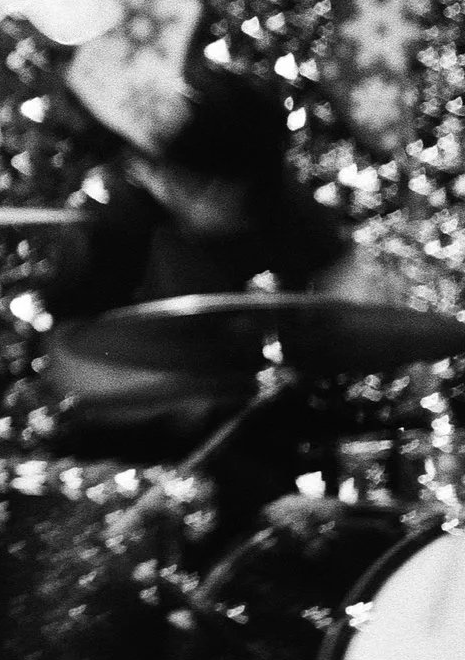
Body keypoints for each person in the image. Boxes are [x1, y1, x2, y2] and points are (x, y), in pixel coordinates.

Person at [45, 66, 378, 533]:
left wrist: (333, 334)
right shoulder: (115, 222)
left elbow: (349, 299)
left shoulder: (276, 200)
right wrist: (188, 390)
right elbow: (72, 366)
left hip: (250, 437)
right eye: (182, 179)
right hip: (133, 451)